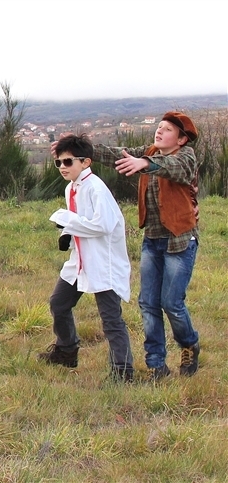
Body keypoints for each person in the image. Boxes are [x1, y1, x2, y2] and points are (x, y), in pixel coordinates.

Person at [88, 111, 201, 380]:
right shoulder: (149, 152)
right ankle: (156, 365)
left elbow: (172, 168)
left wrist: (145, 163)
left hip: (180, 241)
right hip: (152, 240)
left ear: (182, 139)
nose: (159, 131)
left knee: (171, 303)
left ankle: (189, 344)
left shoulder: (186, 157)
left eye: (168, 129)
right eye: (159, 127)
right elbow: (117, 154)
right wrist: (80, 147)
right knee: (148, 303)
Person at [39, 134, 135, 383]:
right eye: (58, 162)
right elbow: (79, 221)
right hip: (80, 261)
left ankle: (123, 371)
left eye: (68, 162)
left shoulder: (95, 188)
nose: (62, 167)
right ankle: (67, 350)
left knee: (111, 319)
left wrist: (68, 221)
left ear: (86, 162)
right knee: (59, 303)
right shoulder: (71, 188)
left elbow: (103, 225)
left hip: (103, 262)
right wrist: (67, 234)